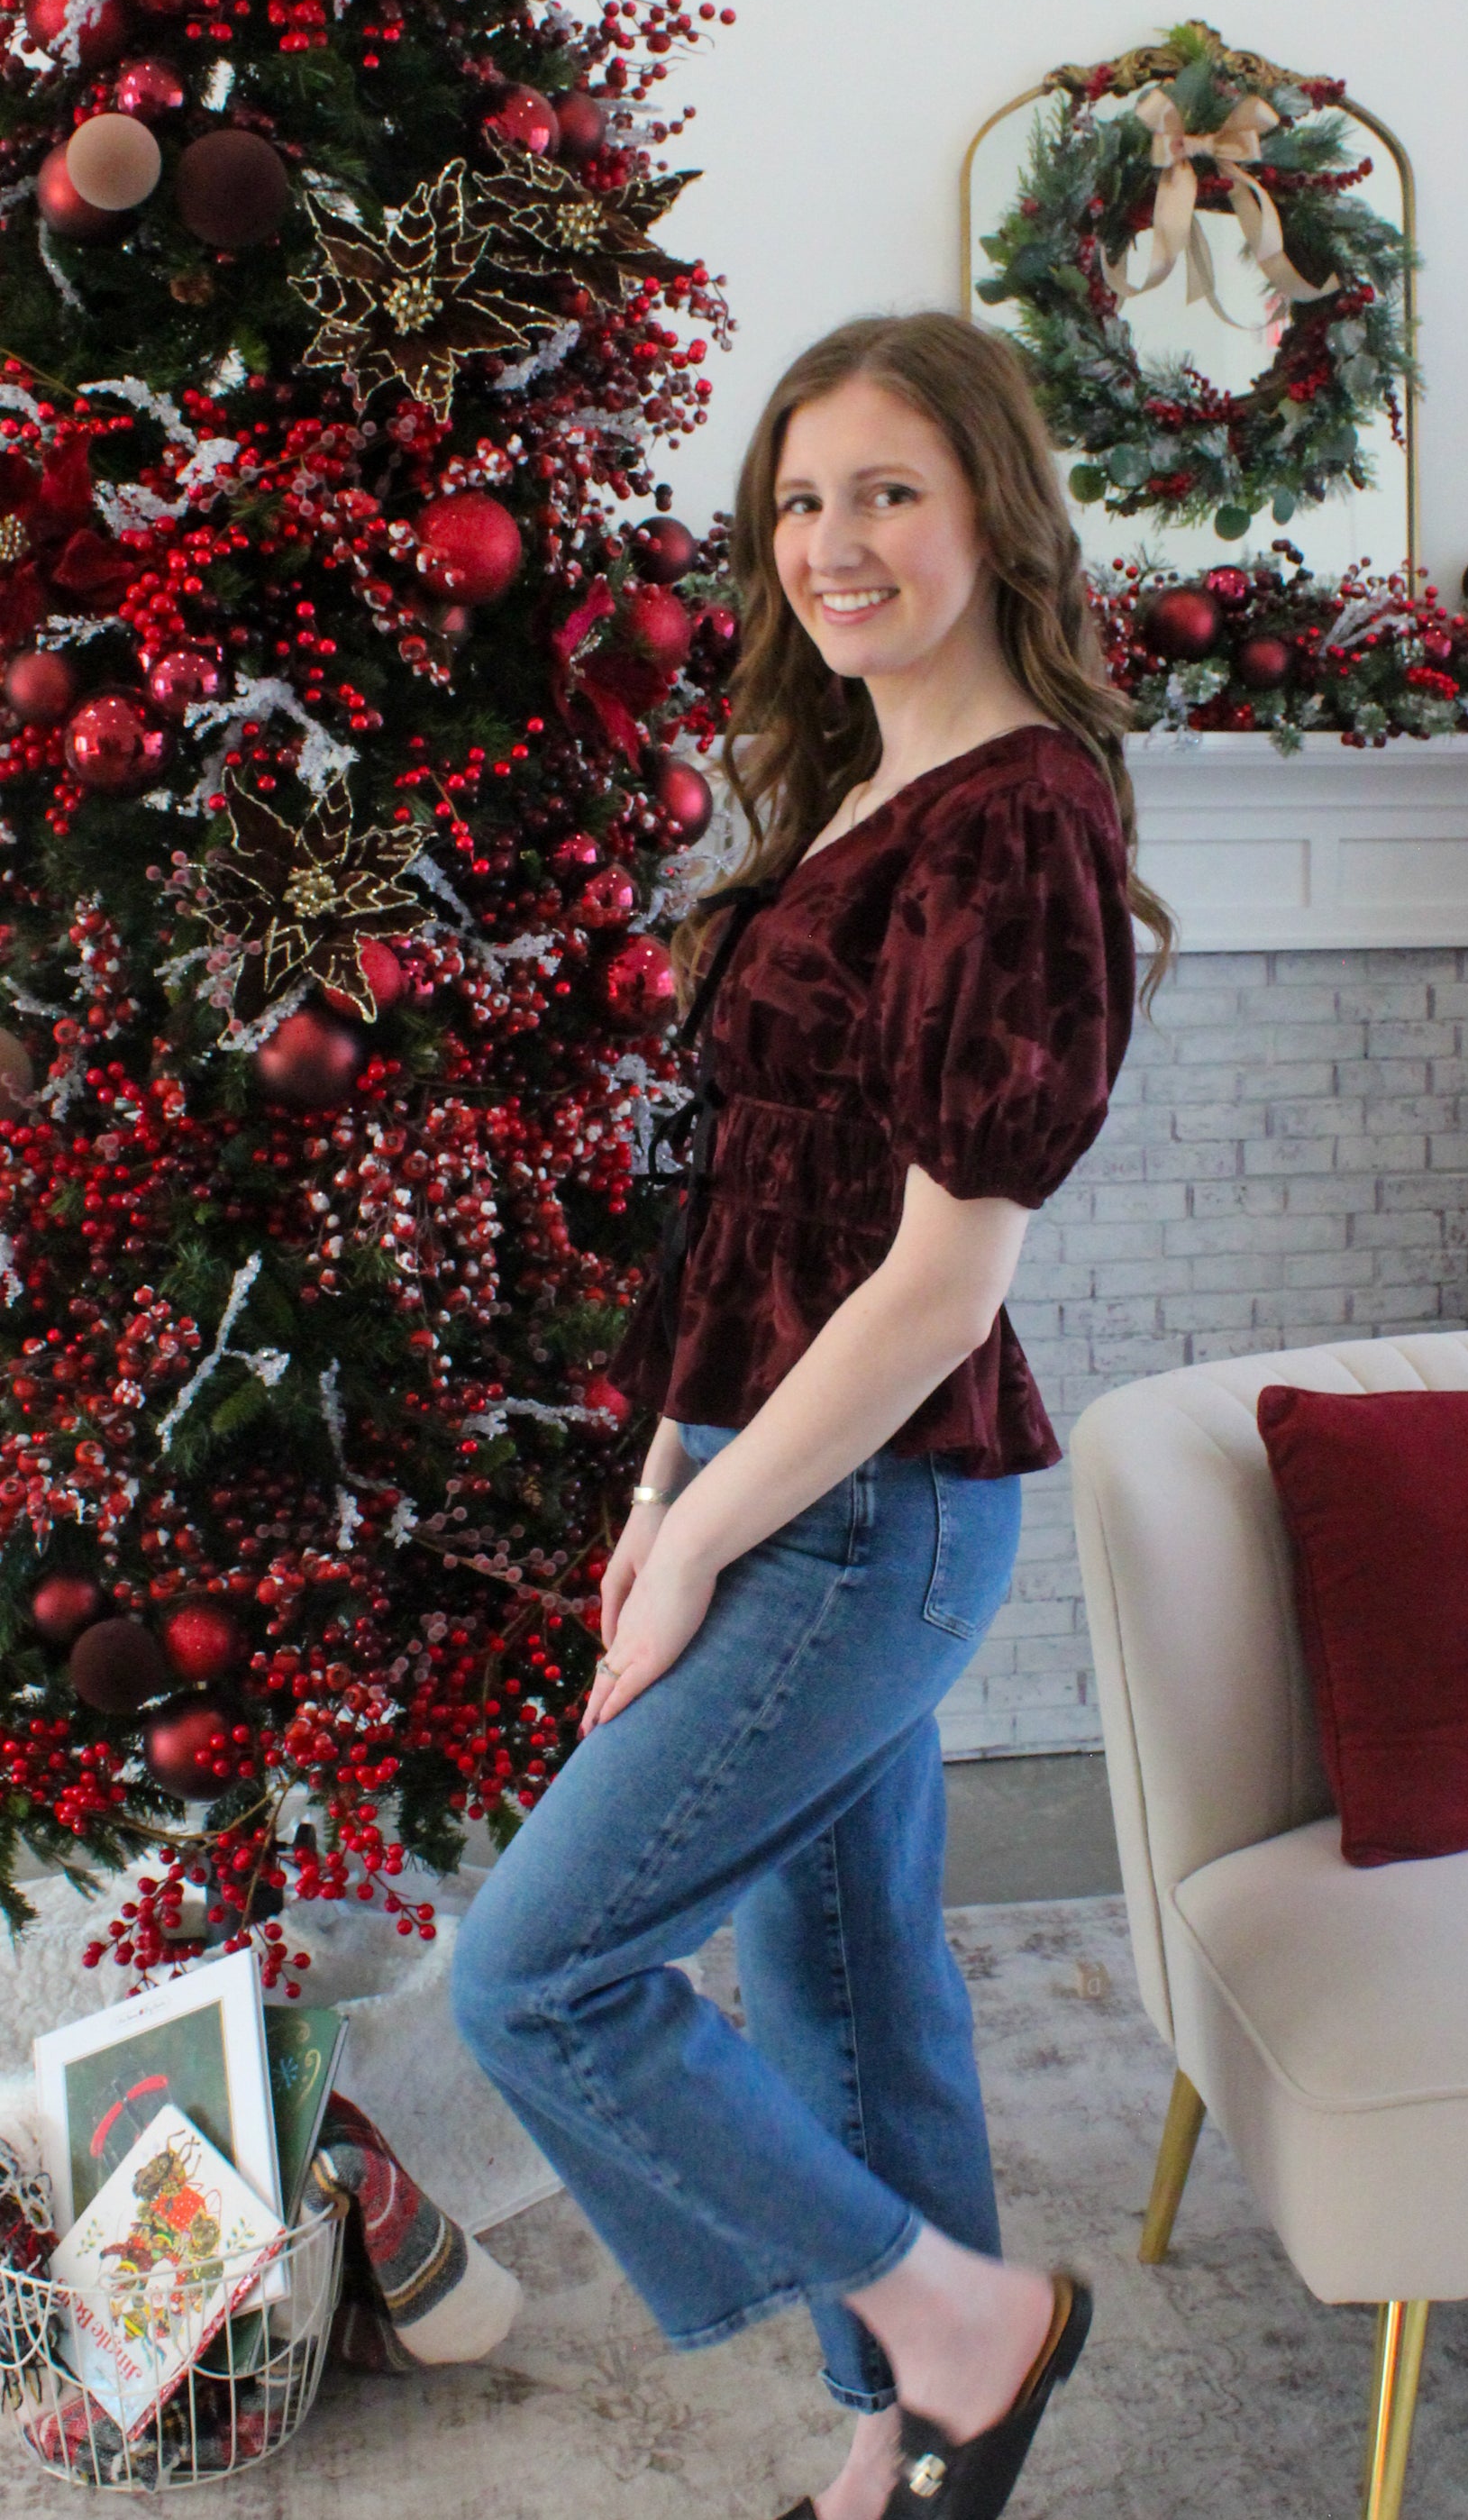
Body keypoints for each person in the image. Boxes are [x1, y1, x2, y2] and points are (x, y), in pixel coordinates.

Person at [450, 308, 1174, 2520]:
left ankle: (968, 2325)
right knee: (846, 1980)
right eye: (797, 499)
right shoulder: (866, 784)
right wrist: (661, 1469)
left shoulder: (1012, 818)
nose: (832, 542)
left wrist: (702, 1534)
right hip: (779, 1473)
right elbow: (759, 1204)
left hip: (870, 1510)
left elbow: (943, 1273)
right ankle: (903, 2450)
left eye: (886, 492)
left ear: (993, 516)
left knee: (537, 1976)